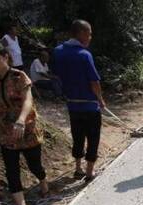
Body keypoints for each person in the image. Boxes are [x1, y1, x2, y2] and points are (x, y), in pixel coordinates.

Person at [0, 41, 48, 205]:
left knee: (35, 166)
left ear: (6, 57)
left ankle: (43, 181)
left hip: (26, 130)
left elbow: (28, 100)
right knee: (12, 171)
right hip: (6, 133)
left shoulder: (19, 77)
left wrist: (20, 120)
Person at [52, 19, 105, 181]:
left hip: (72, 105)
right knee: (93, 137)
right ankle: (89, 172)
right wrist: (100, 99)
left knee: (77, 136)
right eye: (89, 34)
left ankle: (78, 168)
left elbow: (56, 75)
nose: (90, 38)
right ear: (81, 33)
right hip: (89, 106)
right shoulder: (84, 55)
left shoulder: (58, 51)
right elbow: (94, 82)